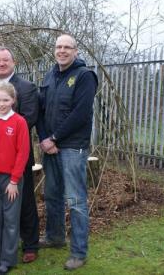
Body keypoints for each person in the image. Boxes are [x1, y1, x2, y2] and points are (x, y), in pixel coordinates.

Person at [37, 34, 98, 271]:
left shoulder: (84, 76)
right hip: (50, 146)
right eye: (58, 47)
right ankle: (54, 237)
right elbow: (40, 110)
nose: (62, 51)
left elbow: (80, 113)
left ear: (76, 51)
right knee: (52, 194)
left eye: (67, 47)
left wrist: (54, 138)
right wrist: (43, 138)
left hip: (72, 146)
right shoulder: (50, 75)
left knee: (75, 200)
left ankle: (79, 252)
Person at [0, 46, 40, 263]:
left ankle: (30, 244)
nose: (1, 64)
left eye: (5, 60)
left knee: (26, 202)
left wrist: (5, 134)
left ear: (14, 62)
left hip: (17, 159)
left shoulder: (27, 88)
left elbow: (29, 117)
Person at [0, 82, 30, 275]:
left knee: (10, 220)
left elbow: (23, 152)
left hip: (11, 181)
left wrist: (14, 180)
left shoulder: (19, 122)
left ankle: (7, 260)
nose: (1, 104)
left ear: (13, 101)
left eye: (6, 100)